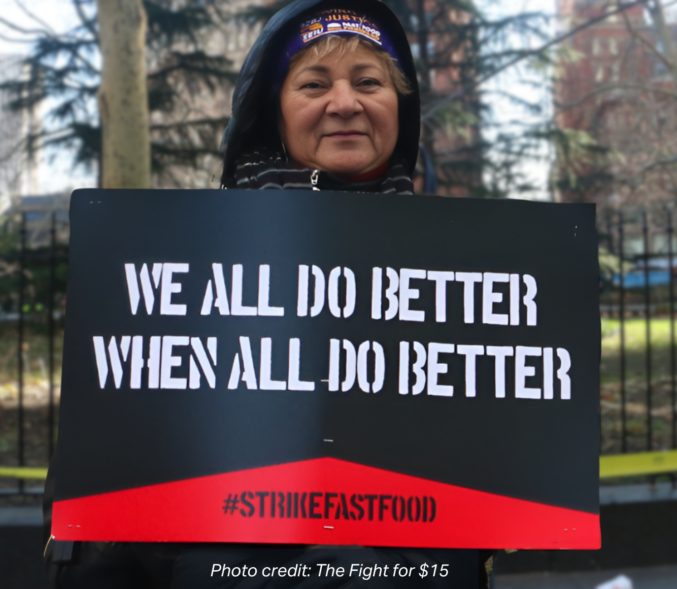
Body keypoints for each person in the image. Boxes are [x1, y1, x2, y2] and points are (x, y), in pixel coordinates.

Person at [44, 0, 495, 586]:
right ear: (274, 111)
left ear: (398, 107)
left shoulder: (464, 278)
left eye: (368, 82)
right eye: (313, 83)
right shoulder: (182, 268)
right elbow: (105, 505)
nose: (344, 102)